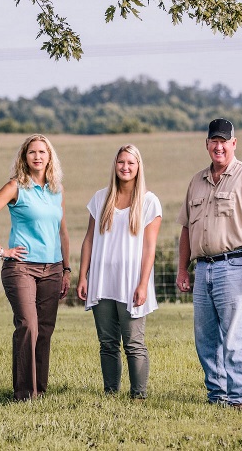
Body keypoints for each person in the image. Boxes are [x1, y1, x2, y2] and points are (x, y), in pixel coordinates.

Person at [175, 118, 242, 410]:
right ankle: (218, 395)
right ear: (206, 144)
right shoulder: (196, 181)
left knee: (236, 336)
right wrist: (183, 268)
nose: (218, 146)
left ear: (233, 143)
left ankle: (240, 398)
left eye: (223, 141)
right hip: (203, 268)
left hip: (235, 266)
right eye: (213, 141)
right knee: (205, 339)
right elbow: (186, 229)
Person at [0, 134, 71, 401]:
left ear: (50, 157)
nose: (37, 156)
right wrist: (1, 250)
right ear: (24, 157)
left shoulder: (56, 190)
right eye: (32, 152)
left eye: (42, 152)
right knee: (28, 325)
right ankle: (24, 394)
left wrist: (66, 269)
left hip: (53, 269)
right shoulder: (16, 187)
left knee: (45, 329)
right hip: (21, 268)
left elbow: (62, 232)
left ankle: (39, 390)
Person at [76, 144, 162, 399]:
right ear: (115, 165)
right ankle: (110, 392)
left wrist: (143, 284)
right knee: (107, 343)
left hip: (131, 282)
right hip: (102, 281)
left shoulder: (149, 202)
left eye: (131, 163)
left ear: (138, 167)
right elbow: (89, 239)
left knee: (133, 343)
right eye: (121, 162)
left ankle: (139, 395)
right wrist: (83, 276)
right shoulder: (100, 198)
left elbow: (149, 249)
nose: (125, 167)